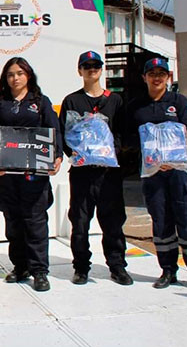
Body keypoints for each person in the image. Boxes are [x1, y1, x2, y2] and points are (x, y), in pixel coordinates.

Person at [127, 57, 187, 293]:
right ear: (144, 77)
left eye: (161, 73)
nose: (157, 77)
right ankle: (168, 270)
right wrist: (152, 156)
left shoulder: (179, 102)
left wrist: (170, 159)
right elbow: (131, 138)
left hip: (180, 172)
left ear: (168, 77)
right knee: (161, 222)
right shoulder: (136, 107)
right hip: (153, 173)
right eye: (151, 73)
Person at [0, 57, 62, 292]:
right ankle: (20, 266)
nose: (15, 78)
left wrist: (56, 156)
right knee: (13, 221)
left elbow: (54, 131)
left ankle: (39, 271)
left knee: (35, 221)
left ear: (28, 75)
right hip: (6, 174)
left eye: (20, 73)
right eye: (10, 74)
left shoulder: (40, 102)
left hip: (34, 174)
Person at [58, 51, 132, 286]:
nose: (92, 69)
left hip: (108, 173)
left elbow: (122, 132)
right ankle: (81, 267)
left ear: (102, 70)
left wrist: (111, 153)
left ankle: (117, 266)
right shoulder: (72, 100)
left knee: (112, 221)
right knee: (79, 222)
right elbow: (64, 134)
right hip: (82, 173)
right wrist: (76, 155)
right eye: (86, 66)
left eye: (96, 66)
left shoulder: (115, 101)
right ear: (79, 70)